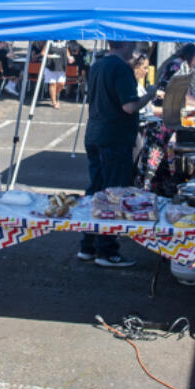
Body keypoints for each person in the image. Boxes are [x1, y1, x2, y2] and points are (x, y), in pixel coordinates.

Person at [79, 41, 158, 268]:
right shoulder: (121, 68)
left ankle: (88, 245)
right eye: (133, 43)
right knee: (113, 194)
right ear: (125, 44)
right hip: (114, 137)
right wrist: (149, 95)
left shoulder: (98, 65)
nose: (136, 48)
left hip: (95, 132)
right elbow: (129, 107)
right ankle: (107, 250)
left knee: (96, 190)